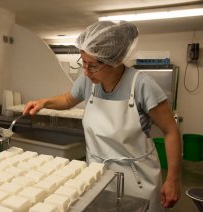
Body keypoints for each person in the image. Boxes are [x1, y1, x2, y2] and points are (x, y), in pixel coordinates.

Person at [23, 21, 181, 211]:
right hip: (97, 173)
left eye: (92, 66)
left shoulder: (141, 85)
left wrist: (172, 180)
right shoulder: (89, 81)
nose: (86, 71)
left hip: (137, 180)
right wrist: (44, 102)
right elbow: (68, 99)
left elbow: (170, 131)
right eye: (83, 63)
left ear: (114, 61)